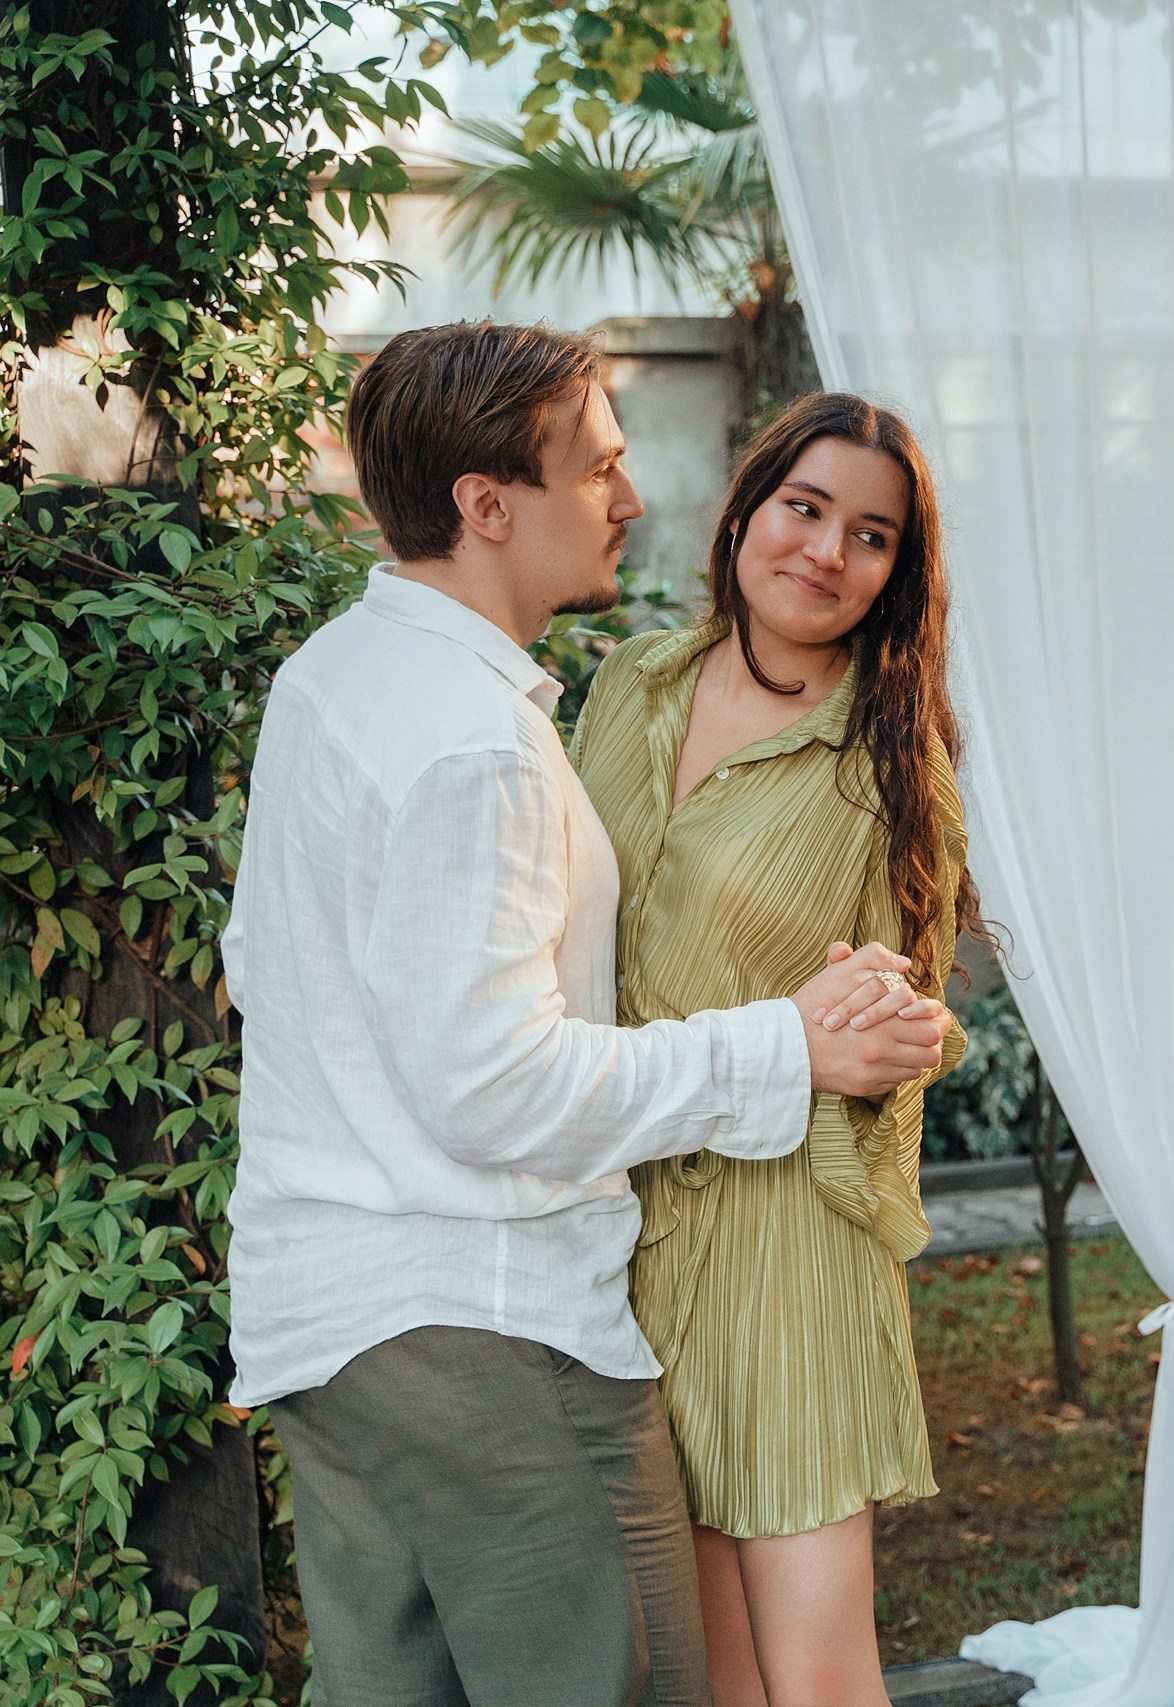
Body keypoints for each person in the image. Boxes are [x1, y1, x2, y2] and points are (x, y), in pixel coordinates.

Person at [224, 323, 942, 1707]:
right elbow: (492, 1087)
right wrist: (781, 1043)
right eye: (599, 468)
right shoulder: (482, 738)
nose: (630, 496)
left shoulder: (336, 674)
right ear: (489, 505)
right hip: (486, 1324)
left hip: (340, 1319)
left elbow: (263, 963)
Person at [570, 392, 978, 1707]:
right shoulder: (631, 683)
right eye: (805, 508)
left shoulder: (891, 761)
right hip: (620, 1226)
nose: (827, 551)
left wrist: (901, 1032)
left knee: (817, 1670)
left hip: (785, 1237)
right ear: (745, 511)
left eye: (872, 535)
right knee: (710, 1667)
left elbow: (914, 1008)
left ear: (894, 572)